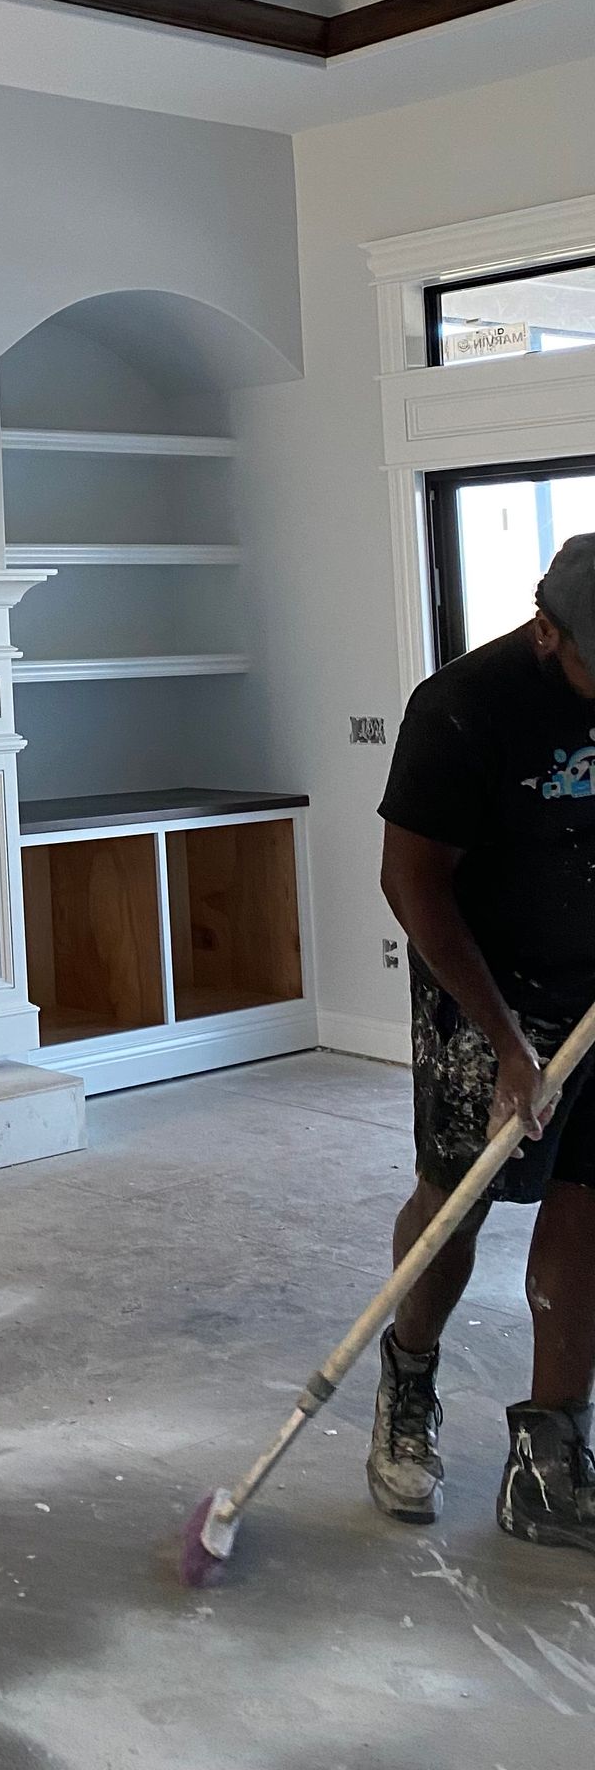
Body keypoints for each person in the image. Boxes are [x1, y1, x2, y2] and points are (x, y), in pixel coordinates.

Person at [369, 532, 595, 1550]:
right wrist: (506, 1041)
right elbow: (410, 882)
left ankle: (550, 1452)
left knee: (589, 1192)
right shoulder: (464, 709)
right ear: (548, 629)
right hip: (490, 990)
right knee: (457, 1193)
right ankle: (409, 1375)